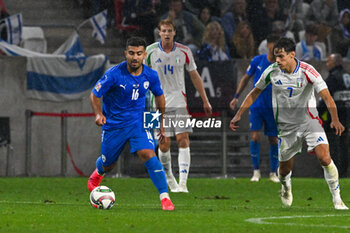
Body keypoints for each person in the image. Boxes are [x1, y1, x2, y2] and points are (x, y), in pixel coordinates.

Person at [230, 37, 348, 210]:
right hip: (286, 127)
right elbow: (254, 92)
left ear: (292, 55)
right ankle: (286, 187)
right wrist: (239, 113)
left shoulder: (308, 70)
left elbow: (326, 96)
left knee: (324, 157)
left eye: (281, 57)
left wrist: (335, 119)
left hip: (309, 121)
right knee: (284, 170)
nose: (277, 60)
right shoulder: (271, 71)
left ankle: (337, 199)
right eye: (276, 56)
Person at [87, 37, 174, 211]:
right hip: (114, 124)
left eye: (139, 53)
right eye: (132, 53)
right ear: (126, 53)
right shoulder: (113, 74)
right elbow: (94, 94)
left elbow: (159, 97)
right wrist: (98, 114)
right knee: (108, 164)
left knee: (148, 153)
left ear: (144, 55)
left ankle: (165, 197)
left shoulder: (151, 75)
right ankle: (98, 173)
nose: (135, 57)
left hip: (138, 123)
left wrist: (160, 125)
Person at [146, 19, 212, 193]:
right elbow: (140, 75)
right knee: (163, 143)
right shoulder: (150, 52)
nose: (167, 34)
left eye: (170, 31)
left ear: (175, 32)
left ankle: (183, 183)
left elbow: (195, 76)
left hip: (179, 101)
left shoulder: (184, 51)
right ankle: (170, 180)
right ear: (159, 33)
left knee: (183, 139)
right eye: (164, 31)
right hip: (157, 103)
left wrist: (205, 99)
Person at [229, 34, 280, 182]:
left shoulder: (281, 64)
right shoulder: (257, 60)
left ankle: (272, 173)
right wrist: (236, 96)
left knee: (273, 139)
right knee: (254, 136)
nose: (275, 48)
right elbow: (245, 78)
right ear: (268, 45)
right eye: (273, 45)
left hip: (273, 107)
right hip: (257, 105)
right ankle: (256, 172)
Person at [318, 53, 350, 177]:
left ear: (335, 63)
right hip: (347, 114)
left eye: (329, 62)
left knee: (333, 144)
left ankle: (335, 170)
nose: (327, 64)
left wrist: (318, 113)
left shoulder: (332, 78)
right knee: (344, 143)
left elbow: (326, 98)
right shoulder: (347, 76)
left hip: (335, 116)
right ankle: (344, 170)